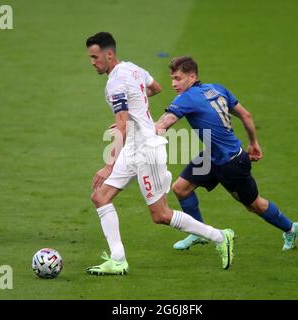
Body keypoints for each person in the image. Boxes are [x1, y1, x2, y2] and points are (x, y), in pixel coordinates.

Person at [85, 32, 234, 275]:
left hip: (146, 150)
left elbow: (121, 125)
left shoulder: (114, 84)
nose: (92, 62)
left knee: (161, 215)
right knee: (100, 197)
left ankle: (219, 236)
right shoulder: (133, 68)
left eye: (94, 57)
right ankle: (118, 259)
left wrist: (109, 164)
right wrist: (136, 111)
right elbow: (154, 88)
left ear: (108, 54)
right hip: (134, 146)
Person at [155, 56, 298, 252]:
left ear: (192, 76)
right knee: (181, 188)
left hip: (231, 163)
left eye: (178, 78)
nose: (174, 84)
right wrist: (253, 143)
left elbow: (164, 124)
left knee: (254, 205)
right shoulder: (217, 89)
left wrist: (136, 132)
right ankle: (198, 232)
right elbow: (245, 114)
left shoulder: (186, 98)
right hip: (213, 155)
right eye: (172, 79)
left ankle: (291, 228)